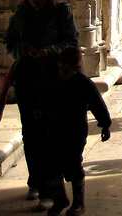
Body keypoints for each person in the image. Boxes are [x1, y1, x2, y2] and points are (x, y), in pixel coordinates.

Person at [3, 0, 80, 201]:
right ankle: (35, 179)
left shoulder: (61, 13)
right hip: (27, 79)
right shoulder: (22, 14)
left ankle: (50, 184)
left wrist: (50, 51)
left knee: (51, 131)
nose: (35, 1)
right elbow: (9, 42)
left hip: (53, 80)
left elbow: (72, 43)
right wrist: (24, 50)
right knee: (30, 131)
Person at [45, 45, 111, 216]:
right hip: (56, 130)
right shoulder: (55, 82)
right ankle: (59, 199)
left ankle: (78, 202)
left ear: (77, 68)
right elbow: (47, 101)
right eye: (60, 68)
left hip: (75, 131)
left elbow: (97, 104)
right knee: (52, 164)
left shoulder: (83, 83)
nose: (62, 72)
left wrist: (105, 124)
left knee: (73, 164)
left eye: (65, 69)